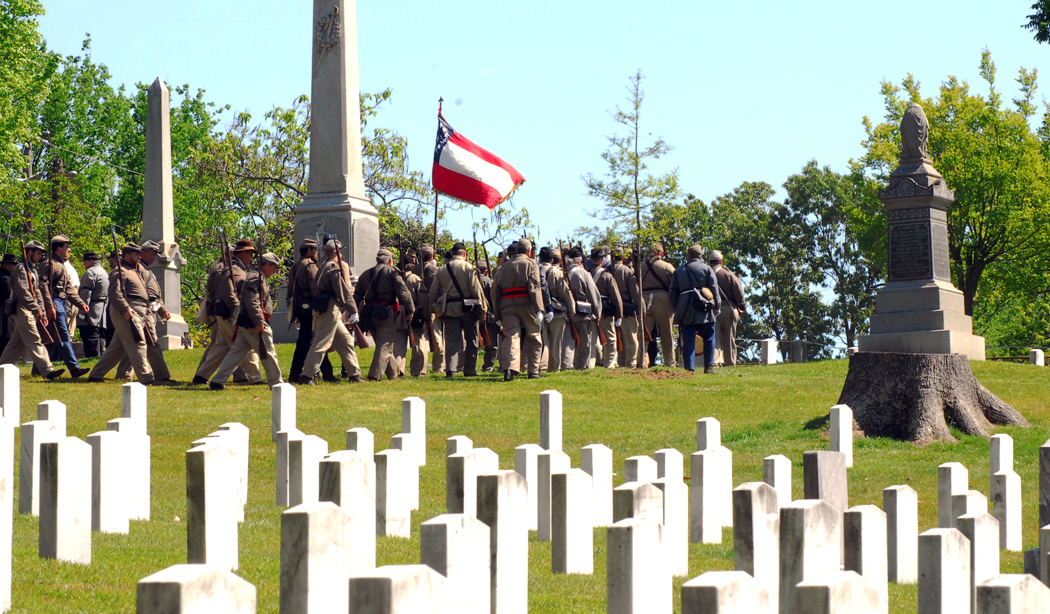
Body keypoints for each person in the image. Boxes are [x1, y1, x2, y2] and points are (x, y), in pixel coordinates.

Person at [192, 239, 263, 385]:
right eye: (250, 254)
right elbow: (228, 293)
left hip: (226, 313)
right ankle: (256, 378)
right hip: (229, 314)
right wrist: (239, 310)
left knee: (221, 347)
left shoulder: (236, 267)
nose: (251, 258)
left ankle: (201, 375)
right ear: (242, 253)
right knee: (245, 345)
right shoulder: (234, 269)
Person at [210, 252, 284, 389]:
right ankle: (276, 382)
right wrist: (259, 322)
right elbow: (253, 302)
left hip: (248, 322)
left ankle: (218, 380)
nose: (275, 271)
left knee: (236, 354)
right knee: (268, 352)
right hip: (253, 323)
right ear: (267, 265)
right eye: (275, 267)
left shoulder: (257, 277)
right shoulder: (256, 278)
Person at [299, 240, 365, 385]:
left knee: (346, 340)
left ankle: (354, 374)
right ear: (336, 252)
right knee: (321, 343)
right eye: (340, 251)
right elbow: (343, 291)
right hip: (330, 308)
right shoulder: (333, 268)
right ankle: (306, 376)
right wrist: (353, 310)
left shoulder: (323, 267)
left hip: (325, 307)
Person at [87, 243, 154, 384]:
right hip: (127, 311)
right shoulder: (119, 271)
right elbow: (114, 293)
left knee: (117, 349)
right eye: (136, 255)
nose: (139, 257)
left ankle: (96, 374)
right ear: (128, 255)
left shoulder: (133, 271)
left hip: (137, 311)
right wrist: (125, 309)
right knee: (138, 343)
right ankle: (146, 377)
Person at [0, 242, 64, 379]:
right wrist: (36, 309)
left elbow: (37, 292)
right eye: (38, 253)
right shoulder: (20, 269)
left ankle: (2, 366)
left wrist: (41, 309)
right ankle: (47, 370)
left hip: (30, 308)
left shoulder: (32, 270)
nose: (40, 256)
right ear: (30, 252)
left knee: (16, 343)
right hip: (22, 308)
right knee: (34, 339)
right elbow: (22, 292)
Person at [115, 240, 172, 382]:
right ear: (144, 252)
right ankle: (161, 376)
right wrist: (144, 316)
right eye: (152, 254)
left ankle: (122, 375)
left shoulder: (146, 269)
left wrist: (162, 310)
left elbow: (154, 294)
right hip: (141, 311)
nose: (155, 258)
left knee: (132, 345)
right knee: (150, 344)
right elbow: (138, 293)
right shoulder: (137, 268)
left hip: (148, 310)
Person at [355, 248, 413, 381]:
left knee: (383, 345)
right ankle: (374, 375)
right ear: (390, 260)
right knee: (385, 345)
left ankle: (394, 374)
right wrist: (410, 310)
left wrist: (353, 313)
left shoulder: (365, 274)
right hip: (386, 312)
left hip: (369, 313)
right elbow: (403, 293)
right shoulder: (392, 272)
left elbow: (357, 295)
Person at [428, 242, 484, 378]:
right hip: (468, 309)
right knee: (472, 340)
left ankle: (450, 370)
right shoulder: (469, 267)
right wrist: (483, 309)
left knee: (451, 341)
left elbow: (433, 292)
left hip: (449, 309)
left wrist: (435, 311)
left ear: (452, 254)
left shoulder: (441, 269)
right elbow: (476, 290)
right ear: (464, 254)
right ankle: (469, 370)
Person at [39, 235, 91, 378]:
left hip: (60, 302)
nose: (69, 249)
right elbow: (43, 286)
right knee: (63, 336)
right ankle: (74, 368)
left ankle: (37, 370)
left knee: (51, 340)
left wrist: (81, 304)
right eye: (67, 246)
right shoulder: (48, 263)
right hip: (54, 302)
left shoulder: (60, 264)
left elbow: (68, 289)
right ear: (58, 248)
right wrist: (49, 306)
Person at [286, 238, 336, 383]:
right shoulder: (309, 265)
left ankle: (324, 373)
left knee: (309, 340)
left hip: (300, 306)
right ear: (309, 251)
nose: (316, 253)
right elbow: (317, 288)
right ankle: (302, 374)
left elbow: (290, 290)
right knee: (313, 341)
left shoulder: (296, 265)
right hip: (309, 307)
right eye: (314, 250)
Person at [493, 238, 543, 381]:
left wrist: (497, 314)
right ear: (528, 251)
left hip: (507, 305)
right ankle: (533, 371)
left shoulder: (504, 267)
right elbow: (534, 288)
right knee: (534, 336)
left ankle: (510, 368)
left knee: (511, 336)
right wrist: (539, 309)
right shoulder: (531, 264)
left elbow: (497, 291)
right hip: (527, 304)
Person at [669, 244, 720, 373]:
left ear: (688, 256)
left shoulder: (679, 271)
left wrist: (678, 307)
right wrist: (717, 306)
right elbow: (714, 289)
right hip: (705, 307)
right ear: (701, 256)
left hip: (685, 309)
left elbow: (672, 294)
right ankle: (709, 367)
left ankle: (688, 369)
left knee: (688, 339)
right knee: (709, 337)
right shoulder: (707, 269)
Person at [565, 247, 603, 371]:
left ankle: (570, 365)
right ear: (579, 260)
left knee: (569, 343)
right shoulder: (582, 273)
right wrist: (598, 314)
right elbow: (593, 295)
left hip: (567, 313)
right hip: (583, 313)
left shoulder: (563, 273)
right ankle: (583, 367)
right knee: (585, 343)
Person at [640, 243, 677, 367]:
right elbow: (675, 285)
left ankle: (642, 362)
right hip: (663, 300)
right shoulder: (667, 266)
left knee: (644, 335)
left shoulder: (640, 266)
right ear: (661, 253)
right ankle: (670, 362)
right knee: (667, 334)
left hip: (644, 300)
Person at [539, 247, 575, 373]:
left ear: (540, 258)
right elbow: (565, 293)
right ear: (552, 259)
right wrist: (571, 311)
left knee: (543, 342)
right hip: (557, 312)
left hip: (539, 310)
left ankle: (541, 367)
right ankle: (554, 369)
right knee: (555, 343)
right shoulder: (556, 272)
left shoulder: (534, 270)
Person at [709, 250, 747, 367]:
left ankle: (714, 362)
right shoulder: (728, 274)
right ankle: (730, 363)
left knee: (713, 337)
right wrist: (740, 304)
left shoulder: (705, 273)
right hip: (727, 308)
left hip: (711, 309)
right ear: (721, 261)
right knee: (729, 337)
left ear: (709, 262)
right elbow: (739, 292)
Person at [592, 245, 623, 369]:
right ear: (601, 260)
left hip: (589, 309)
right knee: (610, 338)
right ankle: (609, 364)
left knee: (593, 338)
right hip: (605, 309)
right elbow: (616, 296)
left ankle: (597, 361)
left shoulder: (586, 272)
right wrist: (619, 314)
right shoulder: (606, 275)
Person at [611, 247, 643, 368]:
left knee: (618, 338)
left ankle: (622, 363)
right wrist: (641, 308)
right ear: (623, 257)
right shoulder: (626, 270)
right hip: (626, 307)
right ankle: (630, 364)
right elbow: (635, 293)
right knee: (630, 338)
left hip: (610, 308)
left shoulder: (606, 269)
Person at [401, 252, 431, 377]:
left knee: (398, 344)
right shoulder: (415, 279)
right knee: (420, 343)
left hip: (398, 314)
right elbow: (423, 300)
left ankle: (399, 369)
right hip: (415, 314)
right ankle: (418, 371)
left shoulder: (396, 276)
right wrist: (429, 316)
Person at [77, 251, 109, 358]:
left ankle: (92, 357)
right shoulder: (104, 272)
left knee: (90, 336)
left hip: (91, 308)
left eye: (85, 261)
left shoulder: (90, 273)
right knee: (100, 337)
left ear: (91, 261)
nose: (84, 264)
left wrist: (82, 310)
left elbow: (85, 293)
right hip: (102, 309)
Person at [419, 244, 444, 375]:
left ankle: (418, 370)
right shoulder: (435, 269)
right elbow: (437, 290)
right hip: (432, 308)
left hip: (417, 308)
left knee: (420, 341)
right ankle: (438, 368)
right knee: (437, 339)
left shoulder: (414, 269)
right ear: (432, 256)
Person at [477, 259, 500, 372]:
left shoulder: (471, 281)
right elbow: (494, 300)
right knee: (492, 345)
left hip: (473, 315)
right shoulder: (489, 282)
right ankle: (488, 366)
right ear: (486, 271)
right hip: (489, 316)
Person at [0, 254, 17, 354]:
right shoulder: (5, 279)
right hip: (4, 319)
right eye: (13, 264)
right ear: (6, 264)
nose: (15, 267)